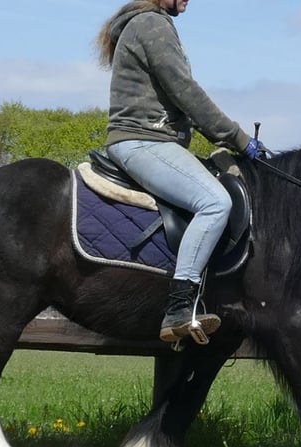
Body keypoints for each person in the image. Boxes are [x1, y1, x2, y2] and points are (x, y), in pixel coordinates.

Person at [96, 0, 264, 344]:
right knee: (215, 202)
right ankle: (179, 307)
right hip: (142, 142)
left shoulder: (149, 23)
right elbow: (185, 91)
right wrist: (238, 138)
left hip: (152, 140)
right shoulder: (152, 24)